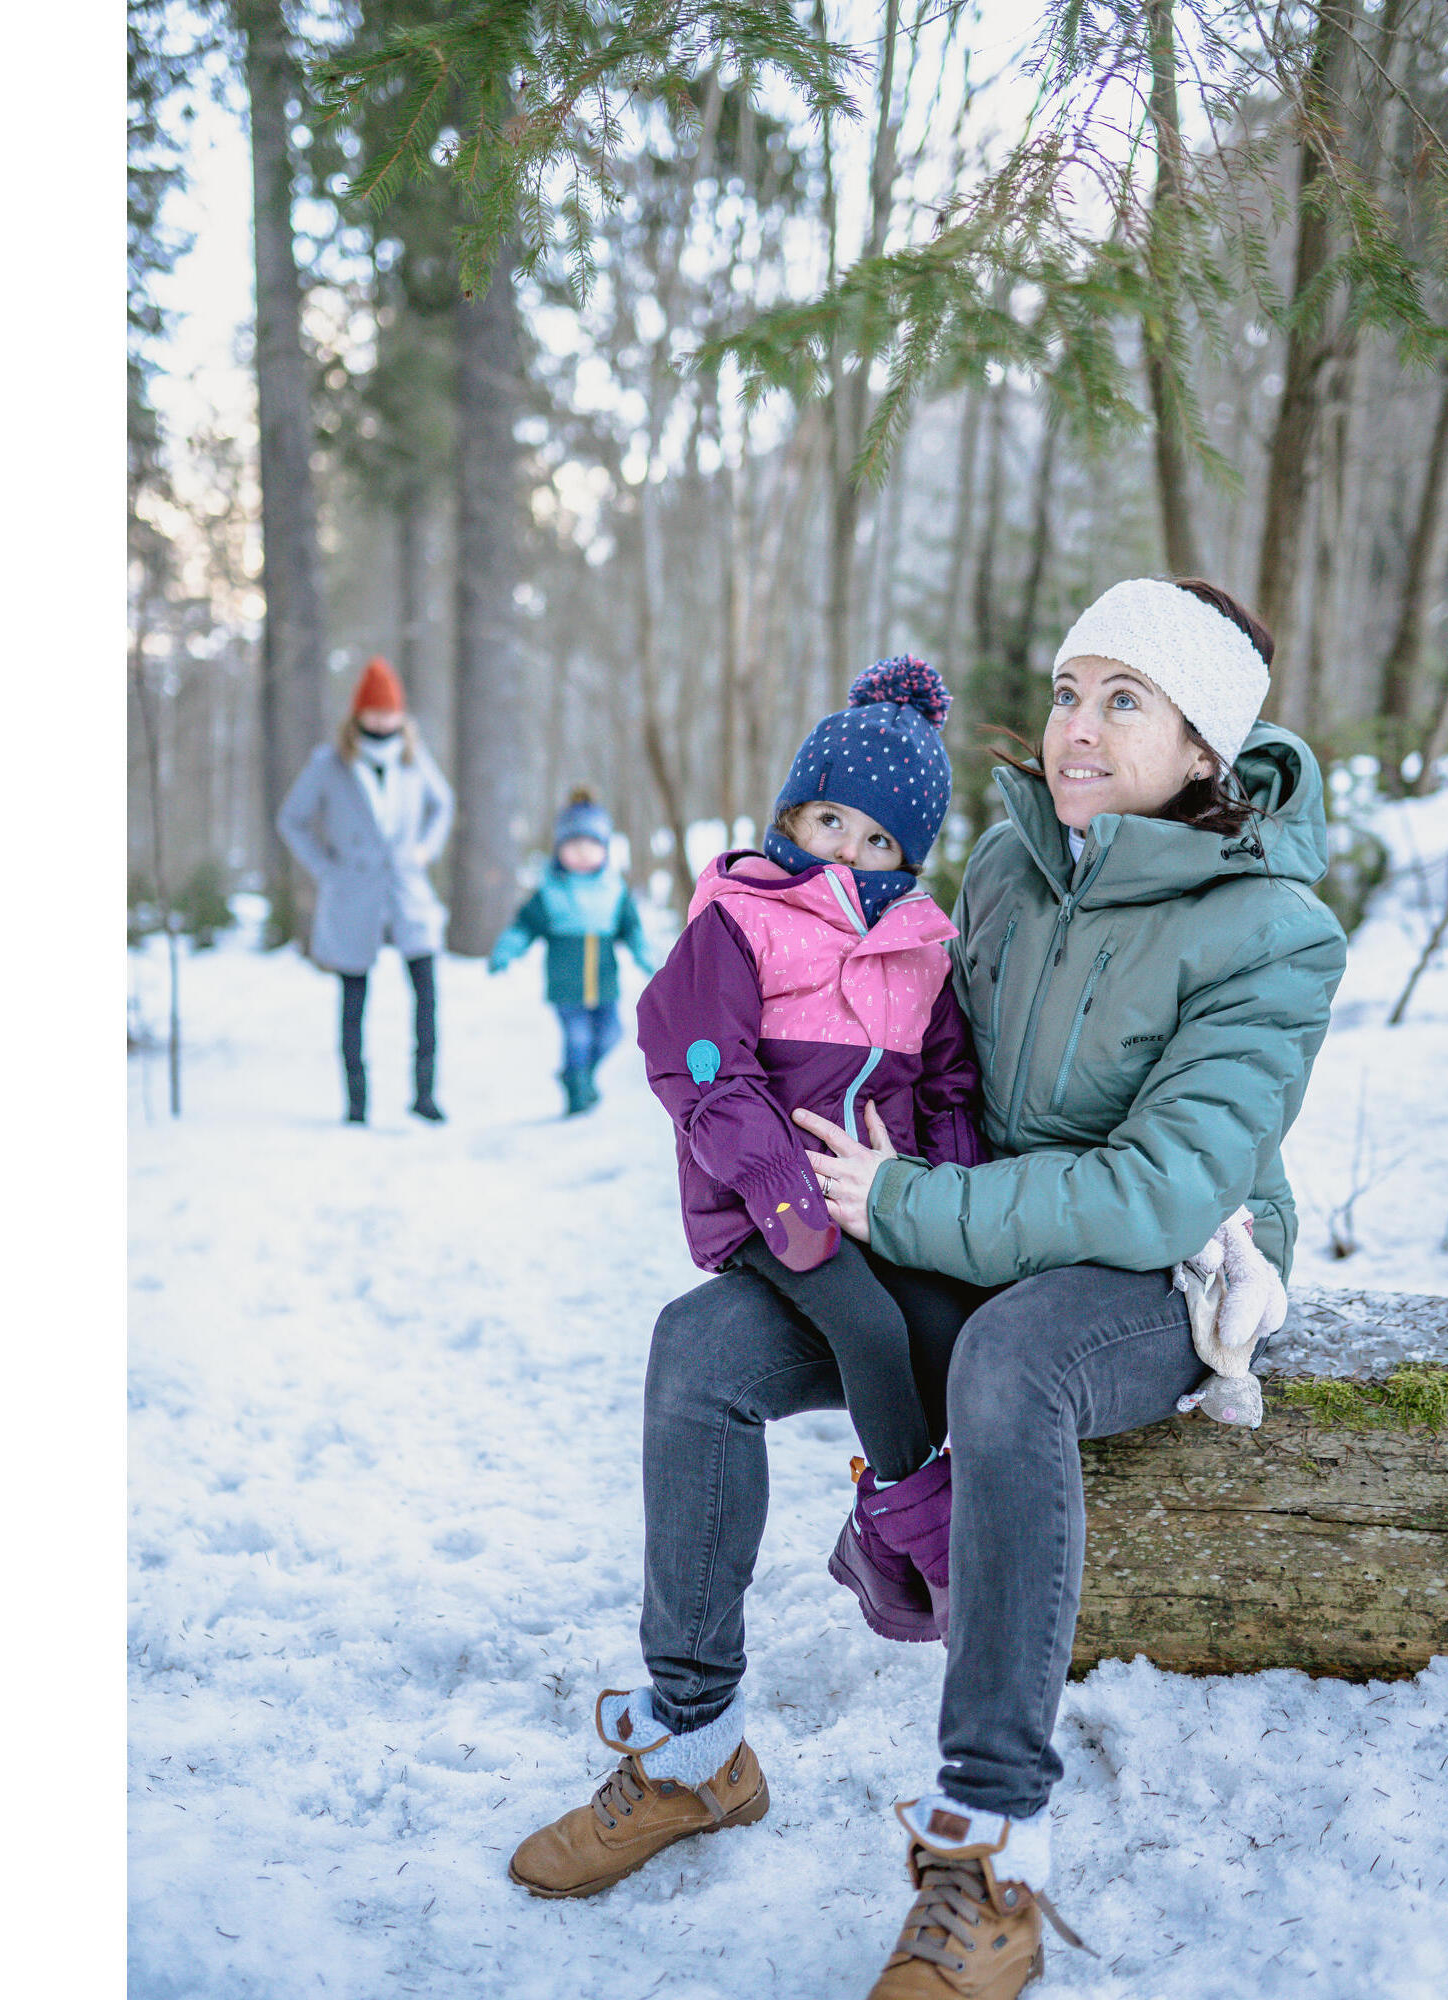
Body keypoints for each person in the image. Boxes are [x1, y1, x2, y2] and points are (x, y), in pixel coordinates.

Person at [509, 578, 1347, 2000]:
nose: (1076, 727)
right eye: (1071, 690)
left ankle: (987, 1857)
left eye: (1124, 700)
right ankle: (694, 1749)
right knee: (700, 1349)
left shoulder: (1272, 933)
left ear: (1208, 745)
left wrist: (909, 1201)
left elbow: (1159, 1188)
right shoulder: (1015, 867)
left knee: (1011, 1365)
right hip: (944, 1222)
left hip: (1147, 1273)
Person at [635, 659, 988, 1643]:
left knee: (933, 1326)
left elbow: (948, 1084)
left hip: (877, 1202)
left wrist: (939, 1199)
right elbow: (699, 1061)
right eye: (830, 821)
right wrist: (781, 1194)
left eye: (879, 840)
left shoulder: (921, 945)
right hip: (765, 1207)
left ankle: (880, 1532)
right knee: (868, 1332)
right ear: (789, 813)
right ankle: (938, 1551)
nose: (849, 852)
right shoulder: (740, 916)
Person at [275, 657, 454, 1125]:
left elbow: (443, 805)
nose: (382, 720)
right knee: (353, 1001)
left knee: (427, 995)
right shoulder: (330, 763)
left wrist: (423, 851)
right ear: (358, 715)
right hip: (352, 893)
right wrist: (326, 869)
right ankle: (356, 1102)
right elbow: (291, 819)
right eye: (374, 712)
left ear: (401, 714)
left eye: (390, 711)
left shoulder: (415, 758)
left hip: (407, 891)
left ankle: (425, 1094)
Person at [488, 792, 657, 1116]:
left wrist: (644, 957)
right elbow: (523, 927)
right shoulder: (550, 892)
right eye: (573, 844)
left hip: (605, 983)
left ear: (604, 849)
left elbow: (632, 929)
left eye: (591, 844)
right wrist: (505, 953)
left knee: (612, 1033)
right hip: (567, 986)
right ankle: (577, 1098)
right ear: (559, 849)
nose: (582, 852)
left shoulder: (614, 891)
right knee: (577, 1038)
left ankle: (579, 1076)